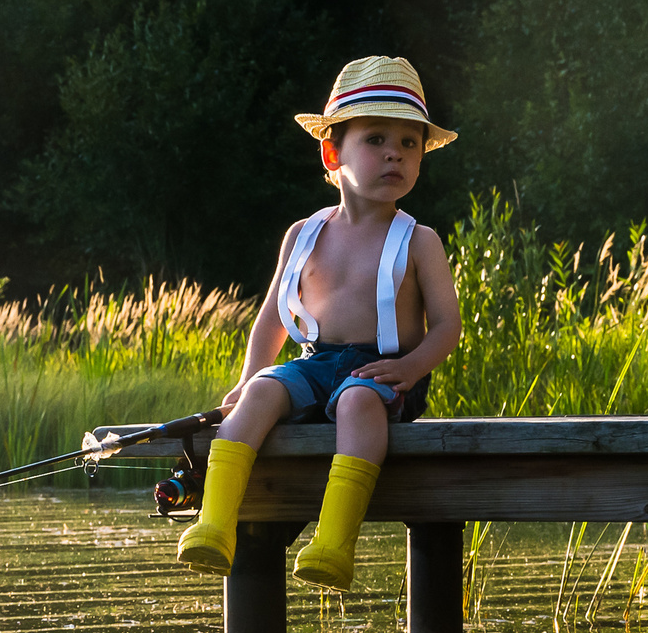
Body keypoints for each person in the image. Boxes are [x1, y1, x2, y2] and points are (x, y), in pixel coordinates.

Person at [174, 56, 463, 590]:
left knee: (356, 399)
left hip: (383, 372)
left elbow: (448, 325)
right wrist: (248, 375)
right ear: (333, 152)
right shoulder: (304, 233)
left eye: (409, 143)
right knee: (262, 392)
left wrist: (413, 368)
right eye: (376, 139)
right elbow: (271, 318)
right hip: (315, 361)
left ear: (422, 158)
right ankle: (214, 522)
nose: (394, 154)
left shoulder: (419, 241)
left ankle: (333, 540)